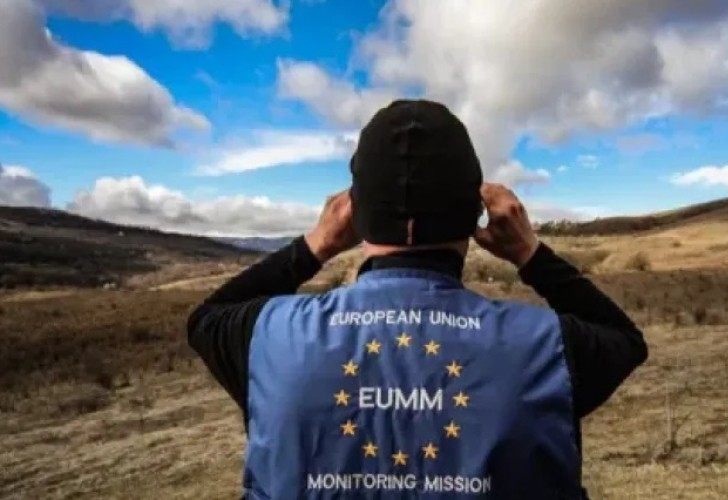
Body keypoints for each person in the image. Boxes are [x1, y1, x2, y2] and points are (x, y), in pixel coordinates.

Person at [188, 99, 648, 499]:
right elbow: (623, 340)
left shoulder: (270, 338)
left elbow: (206, 319)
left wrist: (314, 247)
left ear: (353, 215)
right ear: (475, 215)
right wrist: (530, 253)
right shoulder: (547, 348)